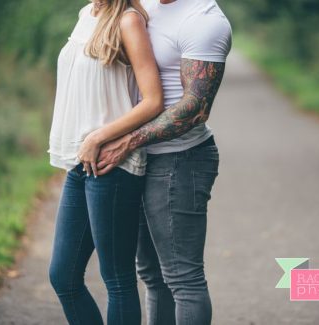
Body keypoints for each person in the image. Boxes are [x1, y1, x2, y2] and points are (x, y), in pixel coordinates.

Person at [94, 0, 231, 324]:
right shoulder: (147, 7)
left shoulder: (205, 20)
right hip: (139, 159)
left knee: (183, 279)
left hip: (178, 161)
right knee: (152, 276)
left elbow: (195, 108)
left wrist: (127, 141)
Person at [46, 0, 165, 323]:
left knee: (117, 278)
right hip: (80, 161)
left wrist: (100, 137)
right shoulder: (86, 14)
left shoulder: (128, 21)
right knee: (63, 276)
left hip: (113, 165)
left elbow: (154, 100)